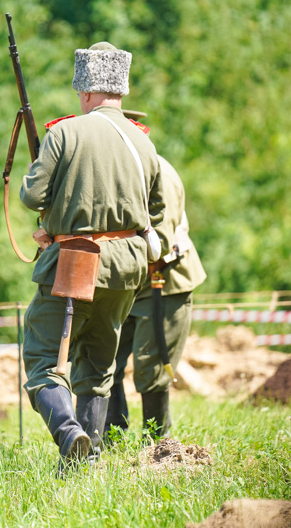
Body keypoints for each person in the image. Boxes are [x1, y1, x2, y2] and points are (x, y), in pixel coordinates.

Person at [19, 42, 165, 466]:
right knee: (99, 366)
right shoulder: (144, 144)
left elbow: (32, 195)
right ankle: (87, 461)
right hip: (126, 268)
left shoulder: (64, 132)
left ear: (84, 91)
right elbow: (155, 209)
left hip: (75, 262)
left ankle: (69, 434)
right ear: (121, 91)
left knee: (43, 360)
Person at [105, 118, 207, 440]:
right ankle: (111, 440)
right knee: (105, 363)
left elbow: (162, 242)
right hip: (126, 282)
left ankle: (158, 446)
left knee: (151, 370)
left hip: (163, 279)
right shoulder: (111, 171)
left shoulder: (162, 172)